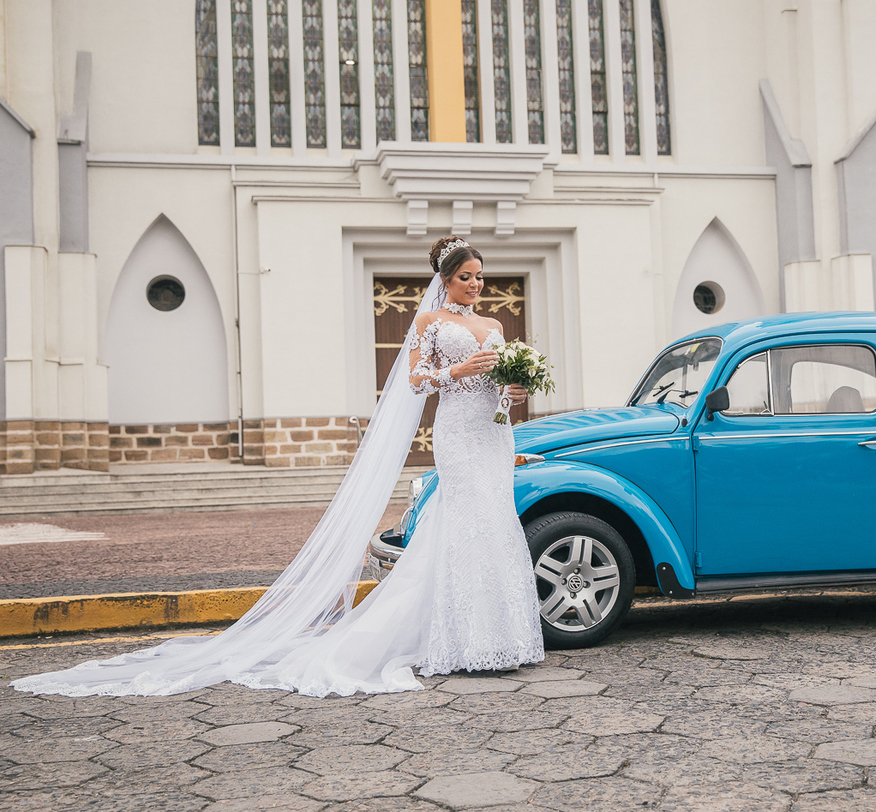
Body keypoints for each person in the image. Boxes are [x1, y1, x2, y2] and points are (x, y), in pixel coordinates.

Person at [13, 236, 544, 697]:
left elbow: (497, 388)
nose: (476, 285)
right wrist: (457, 367)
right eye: (467, 277)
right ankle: (462, 642)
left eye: (480, 277)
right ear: (445, 280)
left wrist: (512, 389)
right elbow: (414, 382)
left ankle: (504, 639)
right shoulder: (429, 321)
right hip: (455, 435)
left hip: (493, 432)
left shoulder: (495, 323)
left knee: (495, 525)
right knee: (465, 528)